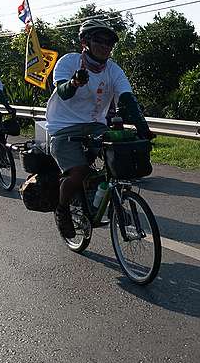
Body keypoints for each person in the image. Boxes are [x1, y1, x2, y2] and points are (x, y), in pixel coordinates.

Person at [46, 19, 153, 239]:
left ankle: (110, 199)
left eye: (109, 43)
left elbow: (127, 98)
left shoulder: (113, 69)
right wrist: (75, 82)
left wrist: (143, 128)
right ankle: (62, 210)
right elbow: (64, 92)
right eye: (99, 41)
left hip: (95, 125)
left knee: (120, 160)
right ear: (85, 42)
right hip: (64, 127)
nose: (105, 46)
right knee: (78, 173)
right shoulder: (69, 62)